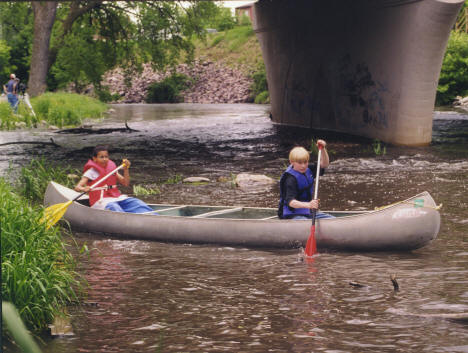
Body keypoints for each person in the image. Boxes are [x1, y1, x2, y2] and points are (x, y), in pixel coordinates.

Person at [75, 145, 157, 214]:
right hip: (100, 201)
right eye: (101, 157)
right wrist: (84, 188)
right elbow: (77, 187)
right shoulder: (91, 172)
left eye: (106, 157)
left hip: (116, 197)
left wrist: (126, 169)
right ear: (94, 158)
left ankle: (154, 217)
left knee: (137, 203)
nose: (104, 159)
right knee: (114, 207)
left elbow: (125, 183)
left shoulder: (112, 169)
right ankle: (128, 222)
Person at [278, 140, 334, 220]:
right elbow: (291, 202)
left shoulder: (308, 169)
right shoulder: (290, 179)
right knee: (304, 221)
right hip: (291, 214)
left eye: (305, 162)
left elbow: (324, 164)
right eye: (300, 163)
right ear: (292, 162)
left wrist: (323, 149)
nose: (303, 166)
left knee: (332, 219)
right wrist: (309, 205)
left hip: (307, 211)